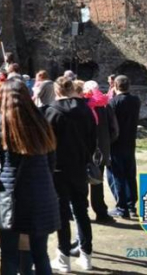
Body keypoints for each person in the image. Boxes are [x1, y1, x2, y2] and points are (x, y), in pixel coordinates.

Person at [0, 80, 60, 275]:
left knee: (9, 254)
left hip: (10, 197)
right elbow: (51, 160)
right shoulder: (41, 121)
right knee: (40, 253)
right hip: (42, 194)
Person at [44, 77, 96, 272]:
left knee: (62, 214)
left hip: (59, 169)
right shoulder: (86, 111)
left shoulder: (52, 111)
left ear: (57, 91)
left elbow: (47, 143)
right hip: (79, 167)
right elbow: (93, 140)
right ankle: (86, 256)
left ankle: (63, 257)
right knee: (81, 211)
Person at [83, 80, 118, 224]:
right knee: (97, 180)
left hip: (84, 149)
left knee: (82, 181)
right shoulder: (105, 106)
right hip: (101, 149)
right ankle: (100, 211)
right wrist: (107, 143)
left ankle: (81, 211)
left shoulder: (82, 106)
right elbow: (114, 129)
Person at [107, 75, 141, 219]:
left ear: (115, 85)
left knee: (117, 176)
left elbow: (110, 124)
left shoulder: (113, 102)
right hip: (129, 142)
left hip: (116, 144)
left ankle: (122, 207)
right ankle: (131, 205)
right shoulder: (136, 101)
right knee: (130, 175)